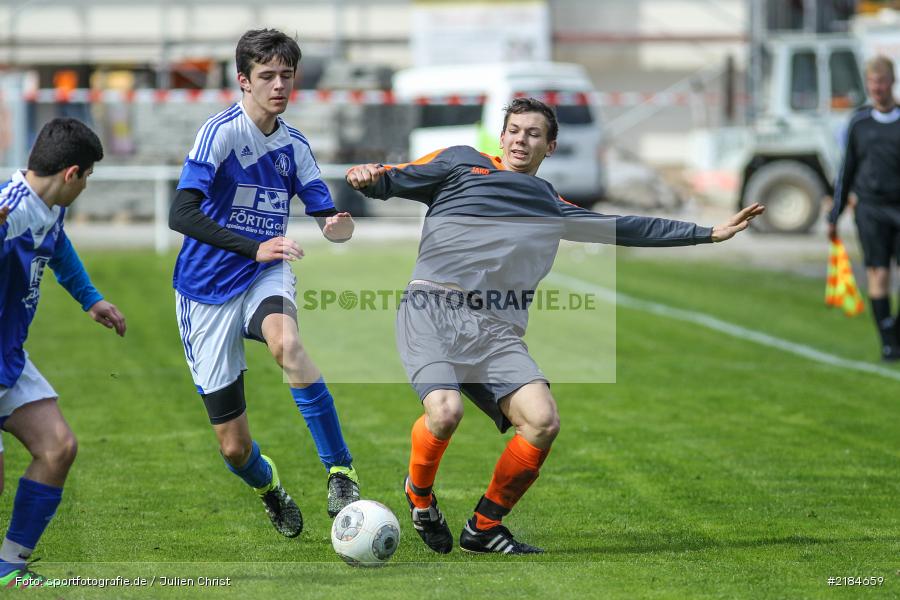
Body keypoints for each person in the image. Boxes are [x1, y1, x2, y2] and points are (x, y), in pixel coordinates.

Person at [346, 97, 764, 555]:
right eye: (514, 130)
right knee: (445, 413)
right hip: (432, 308)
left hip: (495, 330)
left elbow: (623, 226)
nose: (521, 139)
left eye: (533, 134)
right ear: (501, 136)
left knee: (543, 421)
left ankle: (483, 528)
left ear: (550, 146)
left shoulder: (549, 203)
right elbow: (394, 178)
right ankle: (420, 498)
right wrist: (369, 178)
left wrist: (707, 232)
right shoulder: (461, 163)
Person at [168, 29, 359, 538]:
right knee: (233, 448)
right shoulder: (221, 134)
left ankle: (341, 471)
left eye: (286, 76)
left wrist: (336, 226)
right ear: (244, 81)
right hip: (204, 291)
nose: (279, 85)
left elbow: (325, 211)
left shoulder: (294, 145)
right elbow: (180, 213)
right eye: (268, 76)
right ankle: (270, 488)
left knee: (287, 342)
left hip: (262, 274)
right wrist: (252, 245)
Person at [0, 118, 126, 586]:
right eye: (89, 176)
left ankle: (9, 567)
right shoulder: (7, 213)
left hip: (8, 358)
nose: (87, 184)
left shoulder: (48, 208)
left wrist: (90, 299)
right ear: (71, 173)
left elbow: (59, 249)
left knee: (57, 447)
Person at [828, 55, 900, 361]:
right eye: (872, 82)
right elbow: (847, 170)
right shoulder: (859, 122)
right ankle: (888, 343)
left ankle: (894, 328)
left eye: (882, 82)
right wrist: (836, 213)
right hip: (870, 209)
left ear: (892, 82)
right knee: (878, 274)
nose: (877, 88)